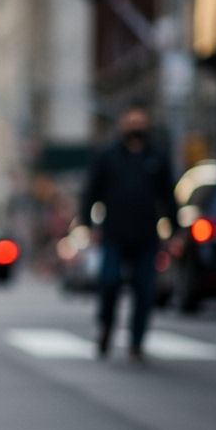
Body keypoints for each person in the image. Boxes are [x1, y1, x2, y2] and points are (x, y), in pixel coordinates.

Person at [80, 101, 178, 362]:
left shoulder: (158, 157)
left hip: (146, 236)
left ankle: (136, 342)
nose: (135, 125)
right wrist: (87, 226)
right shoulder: (107, 156)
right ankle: (106, 326)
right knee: (109, 282)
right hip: (113, 234)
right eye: (130, 121)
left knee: (144, 289)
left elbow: (168, 197)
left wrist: (176, 232)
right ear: (122, 124)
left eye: (139, 121)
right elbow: (91, 193)